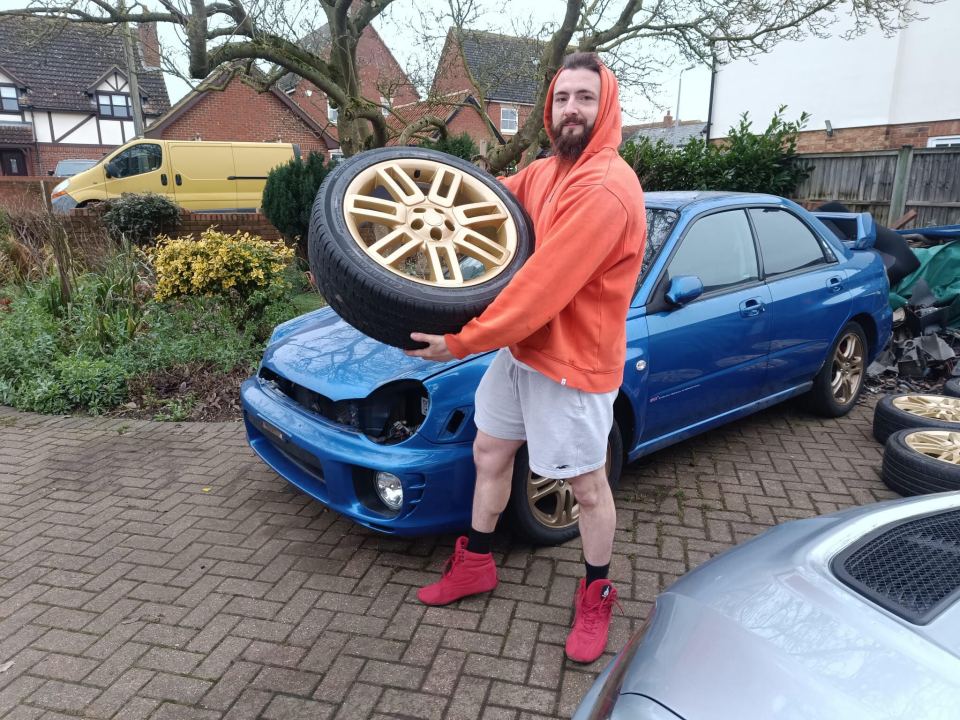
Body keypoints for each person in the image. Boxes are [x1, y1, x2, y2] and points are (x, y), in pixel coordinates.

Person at [405, 52, 646, 664]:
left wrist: (462, 341)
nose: (572, 109)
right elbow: (484, 208)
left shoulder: (607, 189)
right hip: (523, 353)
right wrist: (421, 197)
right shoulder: (544, 174)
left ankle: (597, 592)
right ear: (550, 107)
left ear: (606, 107)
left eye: (585, 99)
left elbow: (542, 287)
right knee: (491, 451)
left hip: (573, 365)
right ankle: (477, 564)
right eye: (563, 98)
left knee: (586, 486)